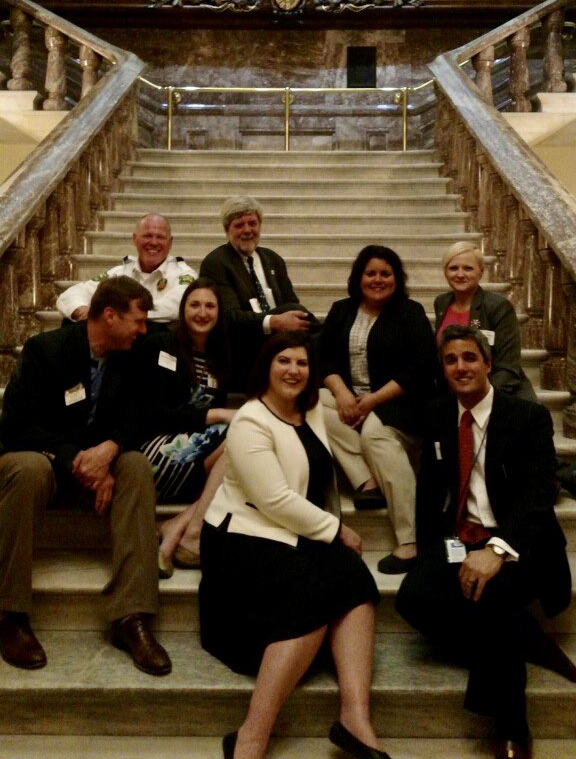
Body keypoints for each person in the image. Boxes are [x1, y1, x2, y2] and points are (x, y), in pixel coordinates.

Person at [199, 332, 389, 759]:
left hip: (292, 534)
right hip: (241, 539)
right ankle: (251, 735)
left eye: (302, 363)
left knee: (355, 578)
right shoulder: (250, 419)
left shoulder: (311, 410)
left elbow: (315, 480)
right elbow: (273, 499)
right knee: (314, 594)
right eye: (283, 360)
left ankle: (355, 719)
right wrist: (338, 530)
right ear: (266, 366)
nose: (293, 370)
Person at [396, 326, 574, 759]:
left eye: (470, 358)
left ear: (488, 363)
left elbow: (538, 495)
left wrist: (497, 551)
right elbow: (430, 486)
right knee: (412, 599)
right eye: (451, 359)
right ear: (443, 368)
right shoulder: (439, 414)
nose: (461, 367)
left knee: (489, 597)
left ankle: (513, 725)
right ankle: (524, 635)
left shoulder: (526, 417)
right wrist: (429, 549)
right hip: (461, 535)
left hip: (521, 540)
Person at [0, 277, 171, 676]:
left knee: (137, 466)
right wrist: (78, 459)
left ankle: (132, 616)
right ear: (109, 316)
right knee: (27, 468)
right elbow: (15, 426)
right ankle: (9, 613)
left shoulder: (133, 356)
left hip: (97, 465)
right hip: (42, 464)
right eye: (138, 321)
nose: (144, 330)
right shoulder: (47, 350)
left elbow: (143, 415)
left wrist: (110, 451)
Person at [319, 245, 438, 574]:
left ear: (397, 279)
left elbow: (420, 368)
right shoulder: (341, 310)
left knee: (374, 435)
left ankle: (411, 540)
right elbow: (322, 358)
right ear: (359, 277)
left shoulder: (410, 312)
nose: (377, 279)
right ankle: (367, 481)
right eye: (370, 273)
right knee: (309, 403)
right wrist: (343, 394)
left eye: (385, 273)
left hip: (399, 404)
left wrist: (370, 402)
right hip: (352, 398)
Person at [136, 278, 237, 575]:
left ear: (219, 313)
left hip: (192, 453)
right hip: (154, 450)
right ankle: (190, 533)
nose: (202, 312)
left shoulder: (221, 356)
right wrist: (219, 414)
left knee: (245, 450)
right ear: (183, 310)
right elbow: (156, 413)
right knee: (244, 441)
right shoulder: (161, 345)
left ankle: (178, 529)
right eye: (195, 305)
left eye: (210, 306)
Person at [199, 195, 315, 383]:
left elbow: (292, 305)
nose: (247, 230)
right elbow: (231, 318)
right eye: (239, 225)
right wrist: (274, 321)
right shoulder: (216, 263)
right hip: (244, 348)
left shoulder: (273, 260)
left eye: (252, 223)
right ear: (226, 230)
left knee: (315, 330)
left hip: (281, 343)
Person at [434, 241, 536, 401]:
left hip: (498, 395)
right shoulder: (441, 303)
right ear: (445, 272)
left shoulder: (498, 307)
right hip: (455, 395)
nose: (460, 274)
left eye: (468, 268)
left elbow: (507, 367)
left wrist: (478, 400)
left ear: (481, 272)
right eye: (453, 268)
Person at [56, 213, 196, 326]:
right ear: (135, 239)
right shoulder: (120, 273)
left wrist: (119, 315)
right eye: (147, 236)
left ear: (170, 242)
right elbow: (70, 295)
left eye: (160, 237)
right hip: (118, 343)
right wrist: (82, 311)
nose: (153, 242)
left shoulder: (183, 274)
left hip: (156, 343)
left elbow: (176, 306)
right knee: (69, 323)